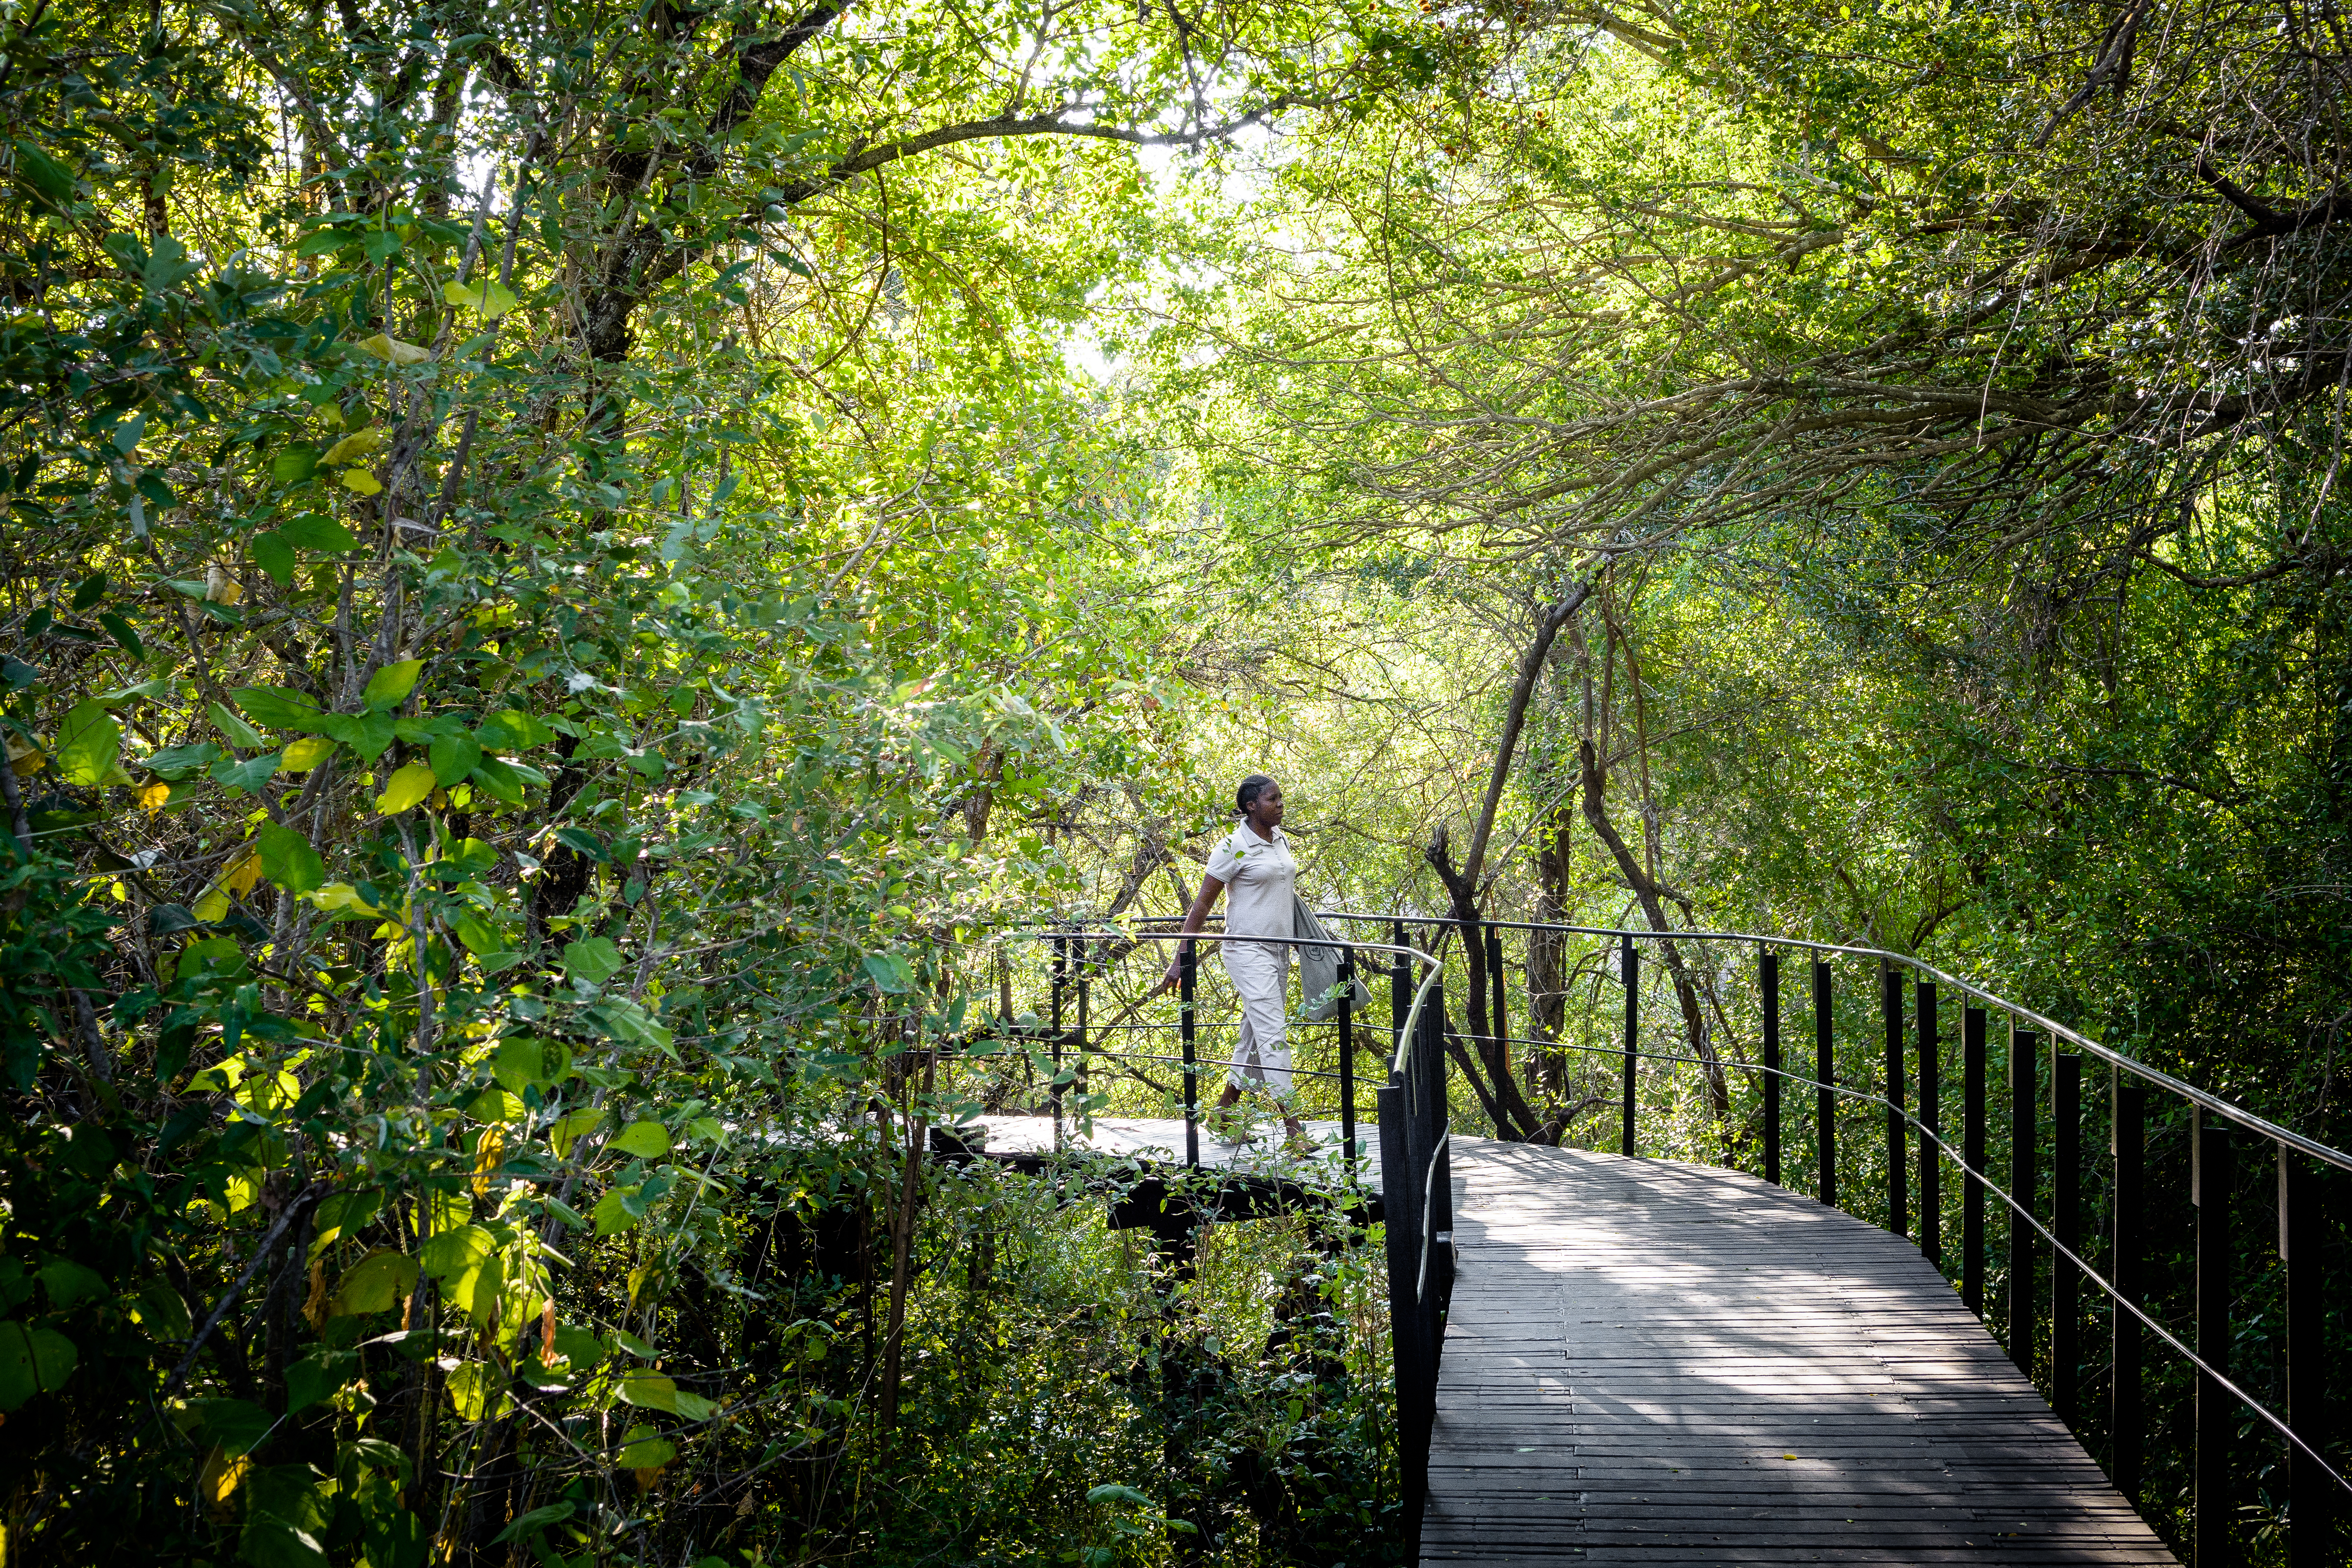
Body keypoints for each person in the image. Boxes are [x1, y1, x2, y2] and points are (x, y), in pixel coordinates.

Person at [1159, 774, 1307, 1148]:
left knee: (1256, 1036)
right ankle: (1294, 1129)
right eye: (1273, 799)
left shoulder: (1280, 839)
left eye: (1280, 797)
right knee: (1274, 1035)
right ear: (1251, 806)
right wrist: (1180, 958)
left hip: (1279, 952)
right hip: (1246, 951)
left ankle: (1224, 1112)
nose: (1280, 804)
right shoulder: (1233, 846)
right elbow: (1202, 904)